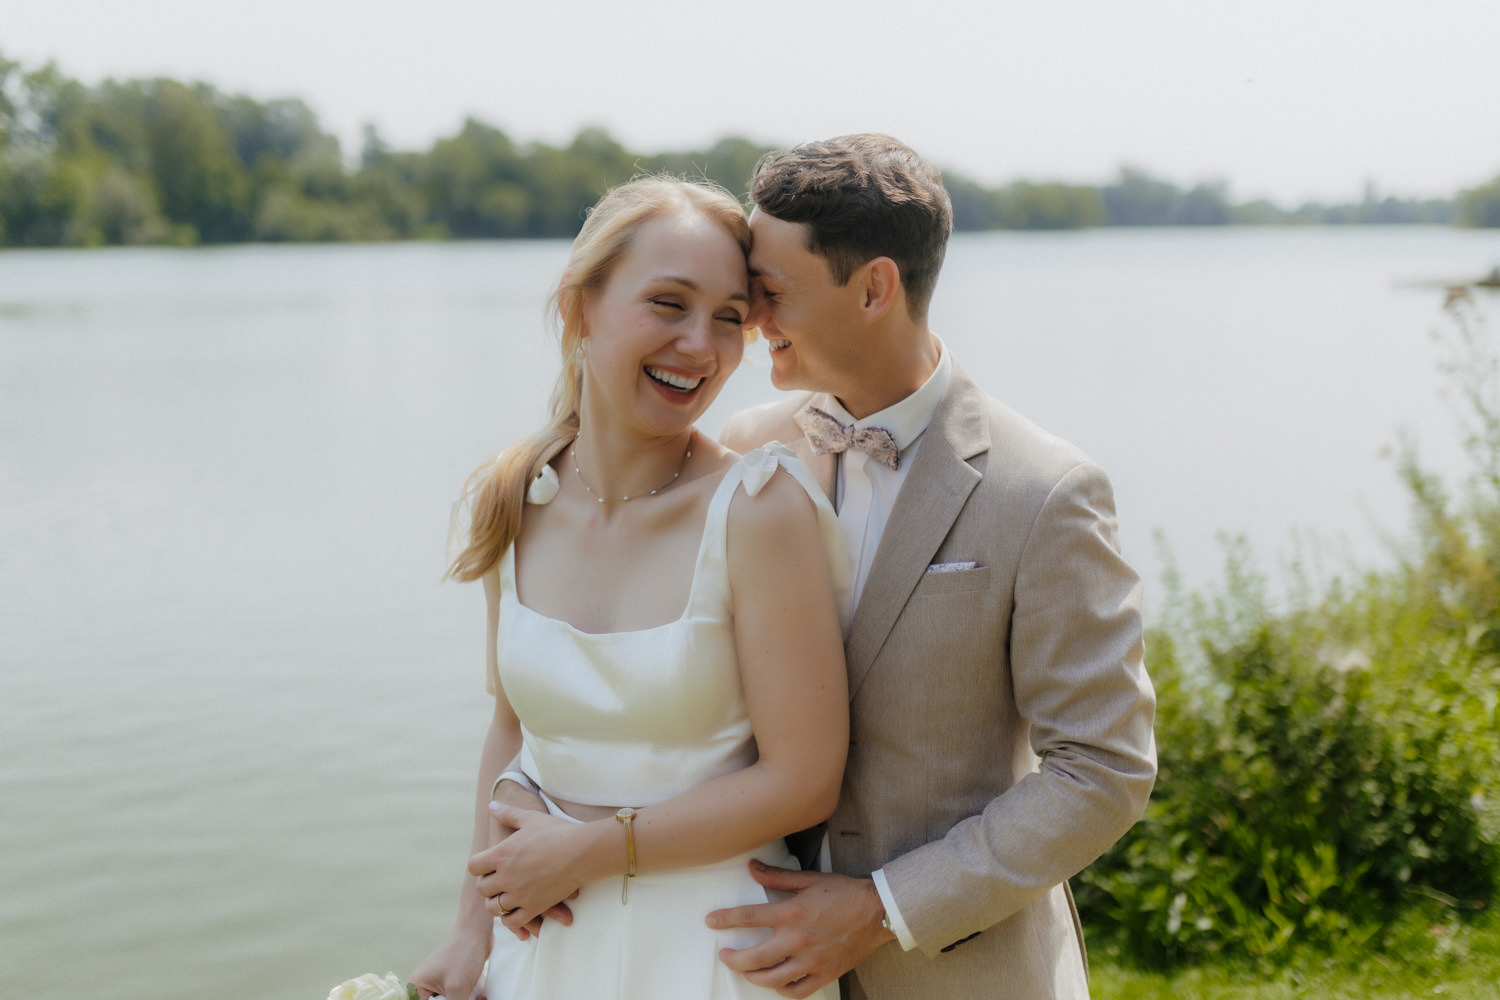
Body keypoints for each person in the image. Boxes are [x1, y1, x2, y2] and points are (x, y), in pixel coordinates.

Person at [705, 135, 1158, 999]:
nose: (751, 318)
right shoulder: (745, 451)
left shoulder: (1046, 490)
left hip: (962, 975)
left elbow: (1100, 770)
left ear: (874, 287)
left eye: (770, 292)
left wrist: (881, 908)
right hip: (755, 972)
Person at [408, 176, 850, 1000]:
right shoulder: (514, 495)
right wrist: (472, 929)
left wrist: (594, 849)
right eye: (668, 303)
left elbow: (804, 778)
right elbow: (511, 725)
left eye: (728, 317)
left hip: (717, 950)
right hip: (545, 942)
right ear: (581, 307)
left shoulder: (758, 508)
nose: (700, 345)